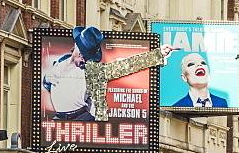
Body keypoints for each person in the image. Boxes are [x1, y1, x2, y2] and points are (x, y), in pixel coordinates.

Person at [42, 26, 176, 121]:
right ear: (76, 46)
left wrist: (157, 54)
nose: (84, 59)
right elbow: (50, 84)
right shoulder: (60, 61)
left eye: (88, 56)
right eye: (83, 53)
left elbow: (124, 65)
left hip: (80, 118)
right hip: (59, 118)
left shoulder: (93, 70)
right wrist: (47, 78)